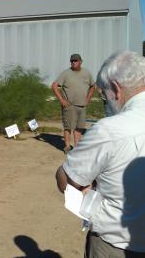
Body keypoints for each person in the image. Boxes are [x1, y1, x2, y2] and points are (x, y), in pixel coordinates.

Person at [55, 50, 145, 257]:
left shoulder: (109, 129)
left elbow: (66, 181)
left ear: (115, 88)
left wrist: (85, 186)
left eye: (104, 95)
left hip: (116, 242)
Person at [51, 54, 95, 154]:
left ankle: (77, 147)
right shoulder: (66, 73)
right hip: (69, 106)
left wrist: (88, 99)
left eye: (75, 61)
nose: (73, 62)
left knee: (79, 128)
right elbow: (54, 86)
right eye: (72, 61)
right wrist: (61, 100)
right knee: (68, 127)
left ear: (80, 62)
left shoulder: (86, 73)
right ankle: (67, 147)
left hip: (82, 105)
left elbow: (93, 86)